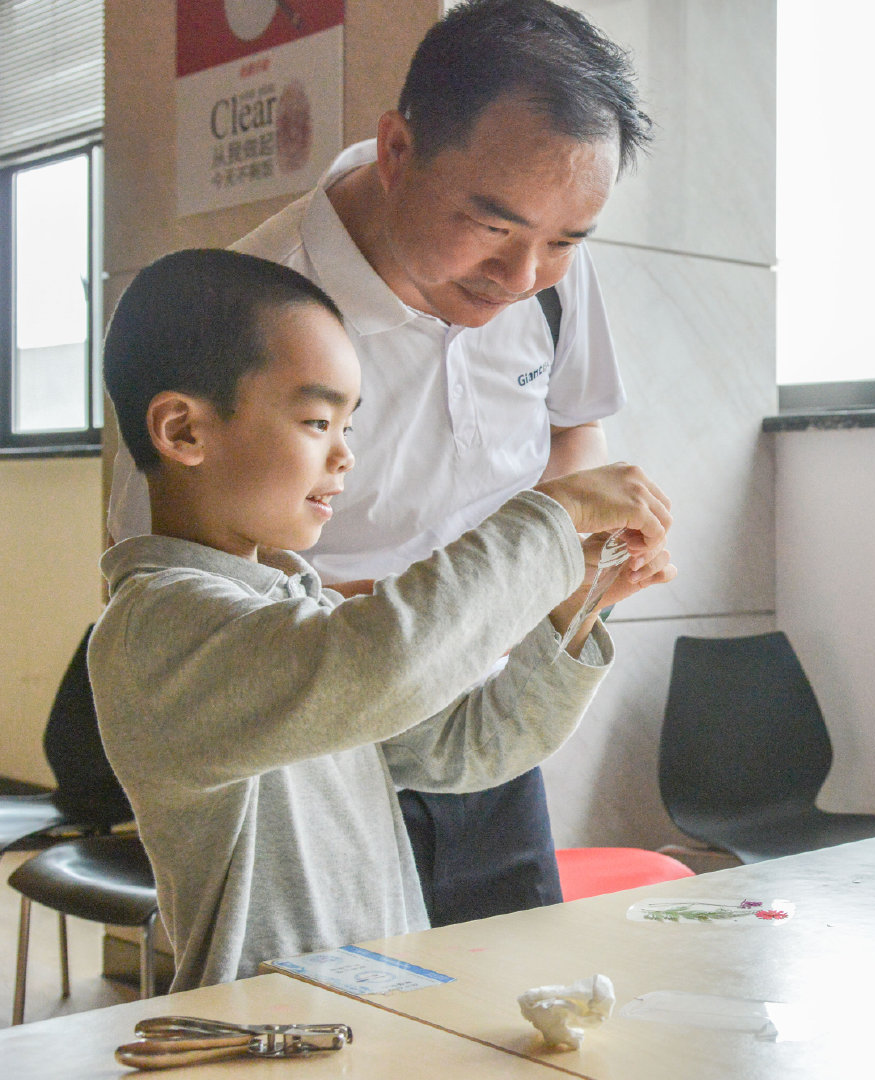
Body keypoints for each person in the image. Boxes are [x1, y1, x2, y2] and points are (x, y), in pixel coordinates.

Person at [107, 0, 654, 924]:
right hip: (319, 710)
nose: (523, 276)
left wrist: (567, 601)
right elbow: (318, 639)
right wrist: (546, 531)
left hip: (453, 699)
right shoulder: (254, 318)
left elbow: (468, 744)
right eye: (492, 227)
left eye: (564, 242)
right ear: (398, 150)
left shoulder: (544, 274)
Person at [90, 249, 672, 990]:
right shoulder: (156, 628)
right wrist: (552, 516)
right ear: (183, 431)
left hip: (374, 1017)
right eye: (316, 421)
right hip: (266, 1033)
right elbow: (385, 665)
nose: (345, 457)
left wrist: (567, 611)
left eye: (348, 425)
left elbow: (470, 749)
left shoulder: (294, 614)